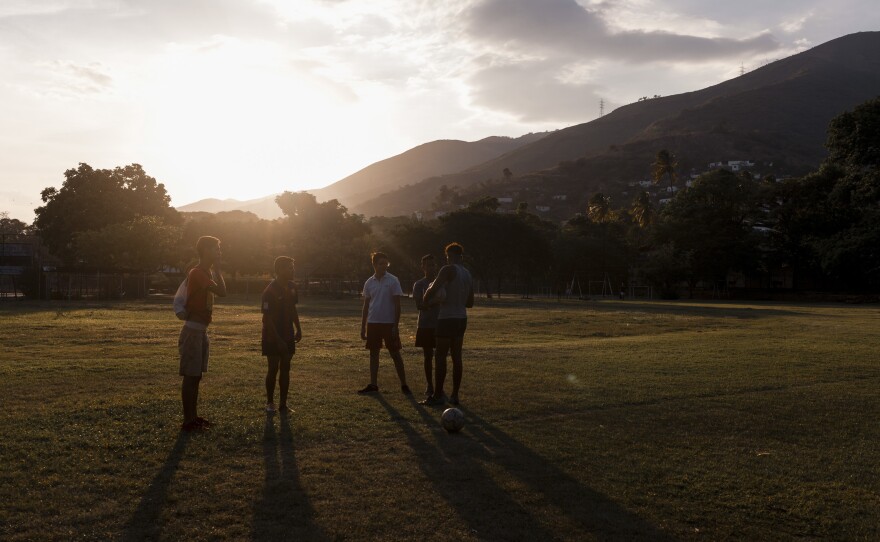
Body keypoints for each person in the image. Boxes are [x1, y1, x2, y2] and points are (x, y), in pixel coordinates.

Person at [179, 236, 227, 432]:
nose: (219, 252)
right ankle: (188, 421)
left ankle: (193, 416)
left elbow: (221, 292)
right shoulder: (197, 272)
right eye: (216, 248)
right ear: (206, 250)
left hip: (200, 330)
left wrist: (216, 270)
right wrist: (218, 269)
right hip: (193, 331)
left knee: (196, 376)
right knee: (191, 376)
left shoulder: (206, 272)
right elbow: (222, 292)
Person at [420, 242, 473, 406]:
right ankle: (455, 395)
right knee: (457, 357)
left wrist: (426, 299)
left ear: (448, 256)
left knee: (440, 356)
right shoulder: (467, 274)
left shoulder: (447, 269)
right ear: (461, 256)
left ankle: (438, 395)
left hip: (446, 318)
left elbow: (433, 289)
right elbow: (470, 303)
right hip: (461, 318)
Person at [358, 251, 411, 395]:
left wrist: (395, 326)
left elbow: (397, 305)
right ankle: (373, 384)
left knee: (395, 354)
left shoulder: (393, 280)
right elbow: (366, 306)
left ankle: (404, 384)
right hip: (373, 323)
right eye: (381, 264)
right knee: (374, 354)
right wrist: (363, 327)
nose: (384, 266)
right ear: (374, 265)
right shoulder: (369, 282)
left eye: (386, 264)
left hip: (389, 323)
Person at [261, 256, 302, 414]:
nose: (293, 270)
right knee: (273, 368)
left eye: (293, 267)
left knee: (286, 368)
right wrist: (278, 340)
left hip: (288, 334)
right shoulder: (270, 291)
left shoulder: (292, 287)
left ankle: (283, 404)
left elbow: (292, 309)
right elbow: (267, 318)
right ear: (279, 270)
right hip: (272, 336)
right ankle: (270, 403)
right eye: (289, 268)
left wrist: (298, 328)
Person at [412, 254, 440, 398]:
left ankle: (439, 387)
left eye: (433, 265)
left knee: (440, 357)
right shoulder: (419, 284)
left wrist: (429, 302)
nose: (431, 268)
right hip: (425, 325)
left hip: (441, 324)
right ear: (422, 267)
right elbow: (420, 305)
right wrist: (436, 301)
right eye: (428, 265)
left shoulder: (442, 282)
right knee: (428, 356)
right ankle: (430, 385)